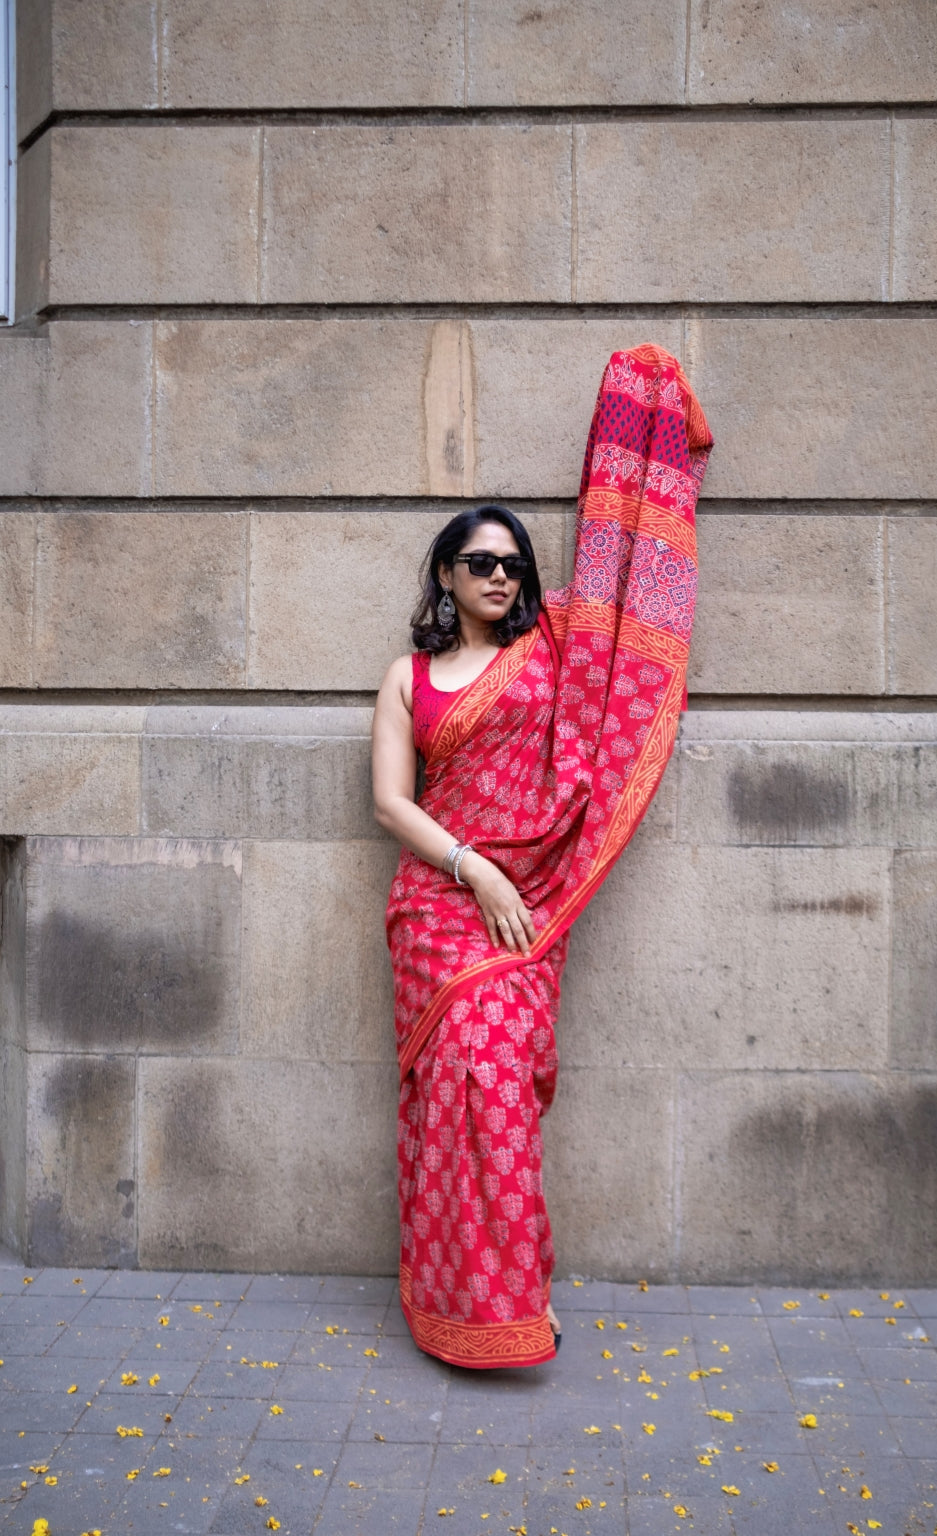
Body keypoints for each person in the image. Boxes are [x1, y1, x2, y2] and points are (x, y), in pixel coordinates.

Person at [372, 345, 712, 1369]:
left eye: (512, 562)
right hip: (441, 906)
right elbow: (391, 803)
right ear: (444, 571)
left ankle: (514, 1301)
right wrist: (472, 866)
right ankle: (446, 1301)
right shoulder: (407, 675)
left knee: (501, 1085)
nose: (500, 575)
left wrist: (640, 416)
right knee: (453, 1087)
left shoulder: (551, 651)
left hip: (534, 902)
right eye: (480, 561)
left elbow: (621, 587)